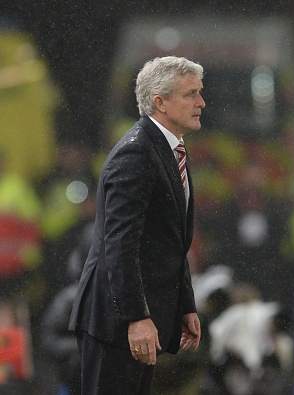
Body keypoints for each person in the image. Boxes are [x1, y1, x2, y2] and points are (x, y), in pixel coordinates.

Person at [68, 56, 204, 395]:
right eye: (190, 94)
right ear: (160, 102)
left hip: (140, 320)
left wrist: (184, 303)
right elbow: (120, 245)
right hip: (116, 324)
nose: (201, 102)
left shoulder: (166, 150)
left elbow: (168, 242)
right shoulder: (137, 154)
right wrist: (134, 317)